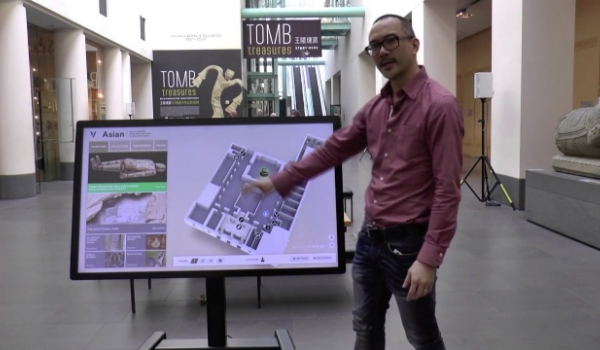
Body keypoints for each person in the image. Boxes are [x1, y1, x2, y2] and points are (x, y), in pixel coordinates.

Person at [243, 13, 463, 350]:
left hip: (409, 247)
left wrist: (429, 258)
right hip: (369, 240)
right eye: (374, 46)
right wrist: (279, 181)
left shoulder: (440, 106)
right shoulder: (376, 108)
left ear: (414, 44)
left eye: (391, 41)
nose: (382, 52)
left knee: (422, 336)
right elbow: (332, 149)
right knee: (365, 328)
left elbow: (448, 191)